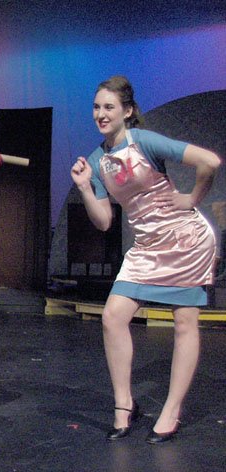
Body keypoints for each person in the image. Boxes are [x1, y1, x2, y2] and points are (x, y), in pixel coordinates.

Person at [70, 76, 220, 444]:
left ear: (127, 111)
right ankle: (124, 405)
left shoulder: (144, 141)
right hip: (146, 247)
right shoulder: (97, 159)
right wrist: (86, 188)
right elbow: (104, 221)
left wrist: (193, 198)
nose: (101, 114)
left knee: (185, 321)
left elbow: (210, 161)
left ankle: (171, 410)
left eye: (109, 107)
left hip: (184, 241)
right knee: (113, 316)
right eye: (96, 107)